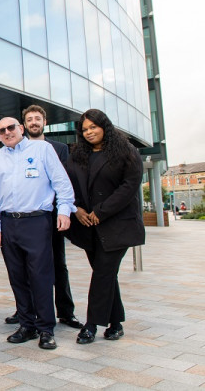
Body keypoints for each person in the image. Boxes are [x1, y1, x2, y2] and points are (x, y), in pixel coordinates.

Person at [0, 117, 75, 350]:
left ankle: (46, 329)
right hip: (8, 222)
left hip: (37, 221)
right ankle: (27, 325)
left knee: (41, 276)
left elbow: (61, 183)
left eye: (10, 128)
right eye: (1, 130)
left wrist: (64, 210)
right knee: (17, 277)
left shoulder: (42, 149)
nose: (6, 132)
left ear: (21, 129)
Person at [66, 109, 145, 344]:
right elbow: (68, 185)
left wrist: (100, 211)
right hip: (88, 224)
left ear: (105, 126)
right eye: (85, 129)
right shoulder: (78, 154)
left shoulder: (126, 151)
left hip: (117, 225)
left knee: (102, 272)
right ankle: (116, 323)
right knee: (106, 274)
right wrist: (76, 209)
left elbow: (129, 186)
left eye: (93, 127)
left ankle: (91, 325)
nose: (89, 132)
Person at [4, 105, 83, 330]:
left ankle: (66, 311)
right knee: (24, 267)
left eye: (37, 119)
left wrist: (63, 212)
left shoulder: (57, 148)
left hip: (51, 217)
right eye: (29, 119)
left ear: (44, 122)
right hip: (25, 220)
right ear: (23, 125)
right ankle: (25, 311)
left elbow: (63, 182)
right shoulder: (14, 150)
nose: (34, 122)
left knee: (58, 264)